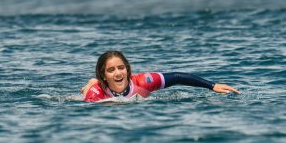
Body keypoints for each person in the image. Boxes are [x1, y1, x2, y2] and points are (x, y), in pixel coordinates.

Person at [82, 50, 239, 102]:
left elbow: (177, 77)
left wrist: (212, 86)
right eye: (111, 70)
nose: (118, 73)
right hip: (96, 90)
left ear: (127, 70)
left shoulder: (144, 81)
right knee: (87, 90)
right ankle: (90, 83)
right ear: (104, 75)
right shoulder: (97, 94)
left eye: (121, 68)